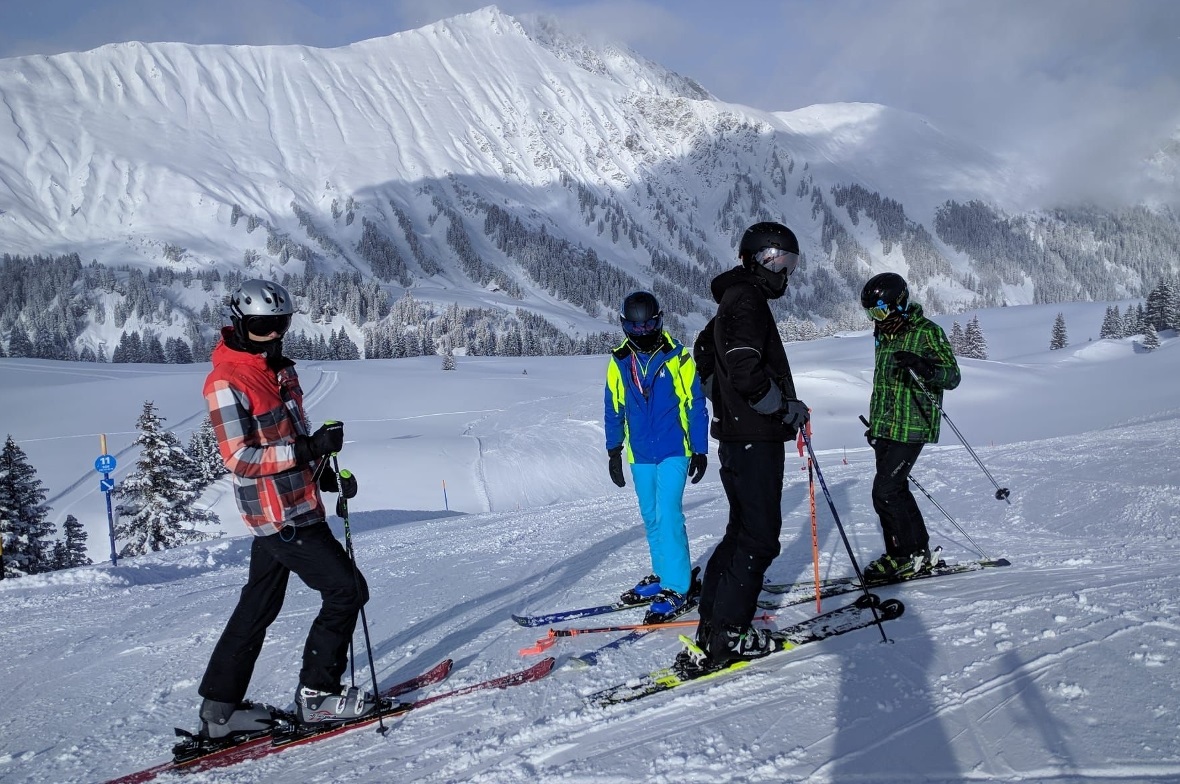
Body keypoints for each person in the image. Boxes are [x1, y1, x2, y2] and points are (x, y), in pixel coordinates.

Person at [195, 278, 376, 740]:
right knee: (347, 591)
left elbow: (285, 439)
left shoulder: (278, 369)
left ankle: (220, 711)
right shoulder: (225, 381)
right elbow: (239, 458)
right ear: (240, 323)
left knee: (258, 605)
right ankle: (318, 697)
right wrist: (308, 448)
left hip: (299, 501)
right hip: (280, 516)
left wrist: (323, 472)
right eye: (261, 326)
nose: (273, 334)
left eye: (281, 324)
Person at [688, 221, 809, 668]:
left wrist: (717, 391)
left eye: (790, 263)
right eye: (779, 261)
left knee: (741, 531)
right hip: (754, 435)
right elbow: (744, 369)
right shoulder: (748, 300)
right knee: (759, 537)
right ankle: (729, 638)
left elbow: (705, 348)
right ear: (756, 259)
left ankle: (714, 624)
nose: (786, 272)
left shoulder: (734, 299)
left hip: (740, 433)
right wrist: (782, 408)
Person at [605, 291, 709, 623]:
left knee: (668, 513)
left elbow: (695, 405)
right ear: (625, 327)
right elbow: (613, 408)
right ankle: (663, 575)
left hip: (674, 449)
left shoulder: (678, 358)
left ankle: (678, 586)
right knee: (650, 516)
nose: (642, 332)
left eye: (648, 324)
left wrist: (700, 448)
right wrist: (613, 449)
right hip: (640, 452)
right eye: (634, 327)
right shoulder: (619, 360)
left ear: (659, 321)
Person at [859, 272, 961, 582]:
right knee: (896, 489)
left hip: (913, 424)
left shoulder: (927, 332)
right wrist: (875, 425)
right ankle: (915, 552)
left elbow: (952, 376)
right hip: (886, 426)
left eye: (879, 311)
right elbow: (883, 385)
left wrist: (924, 365)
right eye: (870, 313)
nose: (875, 319)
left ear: (898, 304)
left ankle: (902, 556)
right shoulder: (884, 334)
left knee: (885, 490)